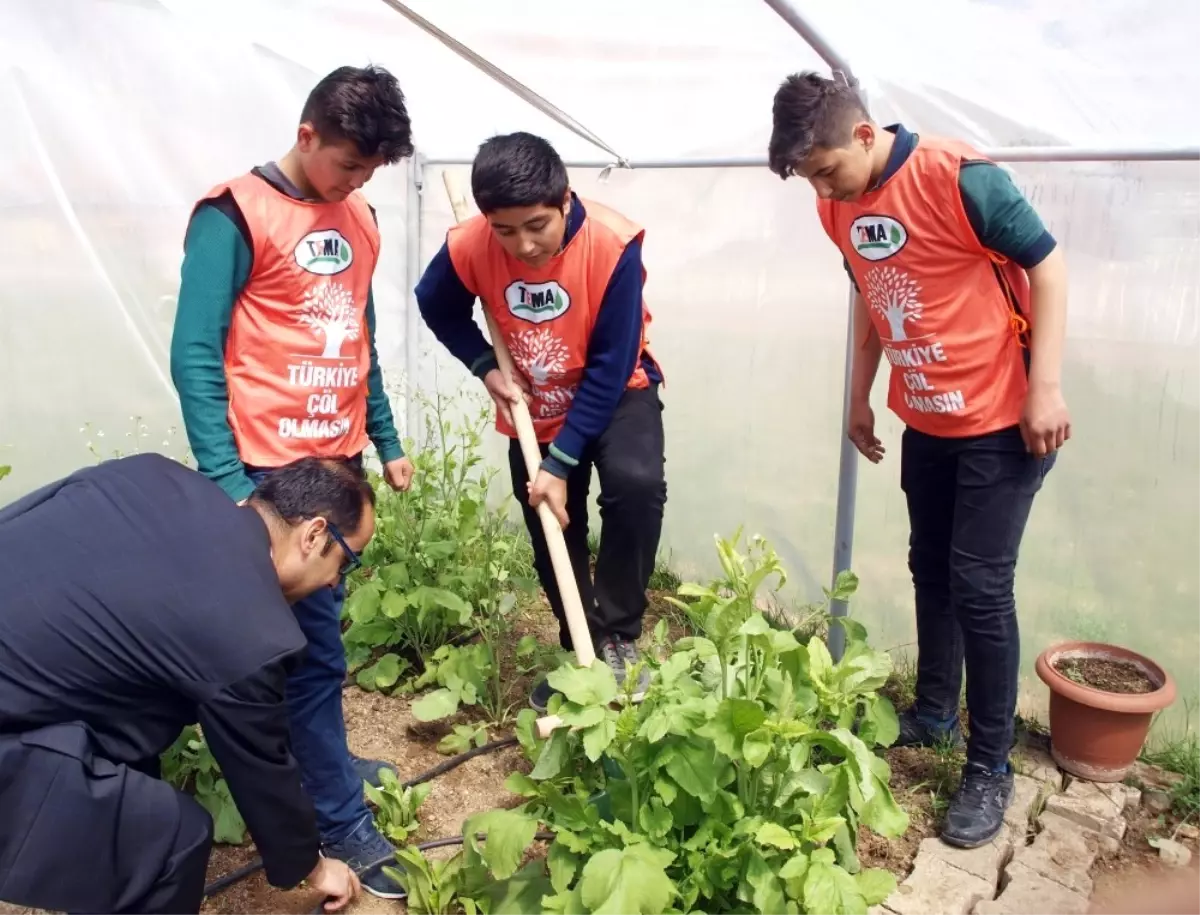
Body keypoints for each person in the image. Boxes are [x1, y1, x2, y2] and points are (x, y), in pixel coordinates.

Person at [768, 72, 1071, 848]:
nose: (823, 189)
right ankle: (936, 712)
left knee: (979, 583)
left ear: (865, 135)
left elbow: (1050, 267)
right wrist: (860, 393)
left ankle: (989, 763)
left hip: (1004, 419)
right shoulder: (836, 204)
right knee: (929, 566)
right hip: (928, 417)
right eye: (810, 178)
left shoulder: (961, 179)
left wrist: (1046, 390)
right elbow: (873, 293)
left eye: (828, 168)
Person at [169, 65, 414, 896]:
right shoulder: (234, 213)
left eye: (369, 172)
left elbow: (359, 338)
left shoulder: (363, 218)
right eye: (347, 164)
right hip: (266, 472)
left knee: (313, 652)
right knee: (293, 656)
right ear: (307, 134)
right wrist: (229, 480)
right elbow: (195, 351)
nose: (355, 183)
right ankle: (338, 814)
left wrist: (383, 438)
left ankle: (325, 766)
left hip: (334, 462)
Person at [0, 454, 373, 914]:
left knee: (130, 771)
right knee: (169, 840)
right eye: (346, 559)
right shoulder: (248, 626)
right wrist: (314, 867)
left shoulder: (148, 474)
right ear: (314, 534)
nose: (336, 580)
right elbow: (261, 764)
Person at [415, 132, 667, 712]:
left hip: (616, 387)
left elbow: (611, 363)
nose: (522, 244)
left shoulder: (612, 244)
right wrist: (483, 364)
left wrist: (561, 461)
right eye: (504, 230)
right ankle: (584, 643)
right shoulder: (471, 245)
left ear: (564, 201)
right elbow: (437, 304)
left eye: (536, 225)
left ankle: (620, 632)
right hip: (535, 400)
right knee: (552, 520)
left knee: (635, 485)